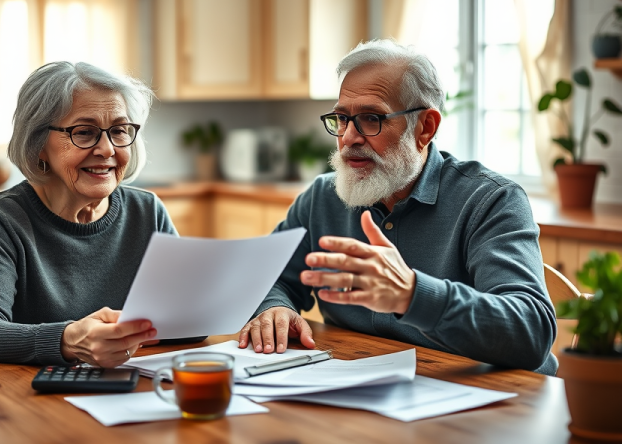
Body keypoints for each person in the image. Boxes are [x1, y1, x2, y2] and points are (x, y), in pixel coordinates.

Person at [238, 39, 557, 375]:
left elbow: (531, 332)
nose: (349, 137)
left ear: (425, 127)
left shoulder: (491, 201)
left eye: (371, 118)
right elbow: (269, 279)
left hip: (486, 401)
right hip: (359, 389)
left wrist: (412, 294)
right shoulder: (322, 197)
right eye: (342, 119)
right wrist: (275, 308)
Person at [0, 61, 171, 367]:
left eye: (119, 131)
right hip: (32, 402)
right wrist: (69, 339)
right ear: (39, 143)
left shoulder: (147, 211)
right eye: (84, 132)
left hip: (133, 388)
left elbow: (186, 314)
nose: (107, 149)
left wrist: (263, 310)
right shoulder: (1, 220)